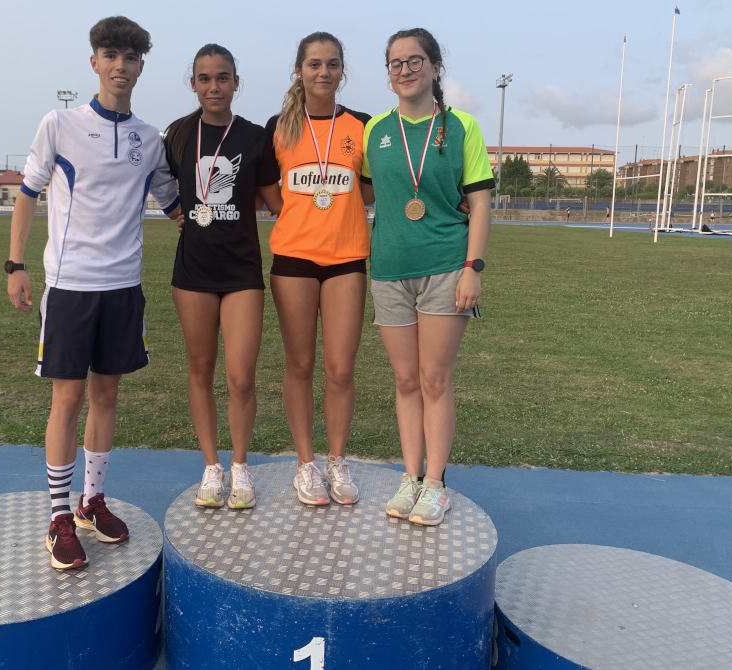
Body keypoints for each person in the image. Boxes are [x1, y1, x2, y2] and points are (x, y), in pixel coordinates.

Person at [6, 15, 180, 570]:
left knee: (107, 396)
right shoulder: (59, 124)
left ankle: (92, 501)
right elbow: (28, 193)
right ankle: (59, 516)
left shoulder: (150, 139)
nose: (120, 67)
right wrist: (15, 264)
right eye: (111, 56)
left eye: (130, 58)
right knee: (68, 398)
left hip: (123, 286)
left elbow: (176, 205)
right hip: (71, 287)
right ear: (94, 62)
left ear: (141, 66)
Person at [363, 27, 494, 526]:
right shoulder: (376, 131)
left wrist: (472, 268)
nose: (405, 70)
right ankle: (410, 476)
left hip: (445, 267)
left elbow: (479, 203)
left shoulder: (461, 126)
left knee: (434, 379)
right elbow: (365, 192)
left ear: (435, 67)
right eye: (395, 63)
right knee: (405, 380)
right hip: (389, 270)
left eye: (415, 60)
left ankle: (436, 483)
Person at [163, 44, 282, 510]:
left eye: (223, 78)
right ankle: (211, 467)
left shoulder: (254, 137)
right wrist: (176, 211)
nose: (214, 87)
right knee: (200, 368)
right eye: (205, 78)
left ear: (236, 82)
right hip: (193, 271)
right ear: (193, 83)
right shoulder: (177, 134)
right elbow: (156, 181)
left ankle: (240, 465)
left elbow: (272, 200)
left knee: (241, 377)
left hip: (241, 271)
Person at [264, 32, 373, 506]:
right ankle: (305, 464)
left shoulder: (362, 125)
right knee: (300, 364)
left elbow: (370, 189)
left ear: (342, 70)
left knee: (341, 368)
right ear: (299, 70)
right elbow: (269, 192)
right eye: (314, 64)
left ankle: (337, 459)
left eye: (332, 64)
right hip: (294, 258)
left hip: (346, 258)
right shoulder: (279, 126)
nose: (323, 72)